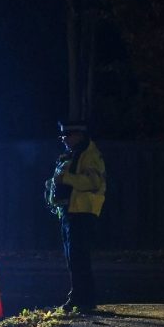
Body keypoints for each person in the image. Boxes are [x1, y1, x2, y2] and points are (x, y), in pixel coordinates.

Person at [45, 120, 106, 312]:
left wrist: (66, 178)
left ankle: (83, 300)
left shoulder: (89, 155)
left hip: (82, 212)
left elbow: (94, 182)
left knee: (79, 258)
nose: (63, 139)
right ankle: (79, 296)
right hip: (69, 212)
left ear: (78, 135)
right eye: (62, 136)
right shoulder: (71, 155)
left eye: (67, 135)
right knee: (73, 258)